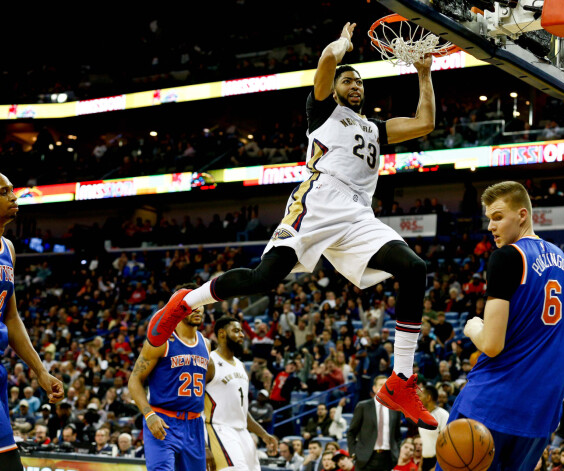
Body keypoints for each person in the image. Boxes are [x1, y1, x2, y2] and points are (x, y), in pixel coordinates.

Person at [148, 22, 439, 430]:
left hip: (358, 214)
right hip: (318, 202)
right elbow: (324, 62)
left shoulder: (374, 129)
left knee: (415, 268)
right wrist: (342, 46)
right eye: (348, 80)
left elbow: (425, 123)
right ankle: (186, 301)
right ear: (335, 89)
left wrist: (424, 75)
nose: (355, 85)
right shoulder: (322, 111)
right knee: (262, 279)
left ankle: (400, 381)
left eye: (359, 82)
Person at [451, 181, 564, 469]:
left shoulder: (507, 256)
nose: (491, 227)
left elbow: (492, 345)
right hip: (540, 414)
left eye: (498, 217)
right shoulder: (561, 258)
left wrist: (473, 328)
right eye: (489, 219)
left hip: (492, 403)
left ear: (522, 215)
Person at [0, 173, 65, 471]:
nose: (14, 197)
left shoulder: (8, 249)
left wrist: (40, 371)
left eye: (13, 190)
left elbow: (11, 317)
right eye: (4, 192)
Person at [127, 285, 212, 471]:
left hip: (195, 425)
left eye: (201, 303)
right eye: (192, 303)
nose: (198, 308)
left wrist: (207, 440)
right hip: (163, 420)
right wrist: (149, 415)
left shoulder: (206, 344)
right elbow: (134, 380)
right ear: (178, 307)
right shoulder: (161, 341)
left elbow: (207, 385)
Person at [205, 316, 278, 470]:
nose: (242, 335)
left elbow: (242, 410)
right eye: (236, 331)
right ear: (222, 333)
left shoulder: (241, 365)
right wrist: (203, 445)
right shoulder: (209, 362)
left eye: (242, 331)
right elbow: (194, 405)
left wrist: (263, 434)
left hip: (242, 432)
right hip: (220, 429)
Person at [347, 375, 402, 471]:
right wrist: (353, 453)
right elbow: (351, 432)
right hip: (365, 458)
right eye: (381, 385)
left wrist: (397, 452)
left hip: (388, 458)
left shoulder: (395, 409)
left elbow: (397, 435)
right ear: (374, 388)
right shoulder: (363, 406)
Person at [418, 384, 449, 471]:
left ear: (428, 397)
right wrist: (421, 465)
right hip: (425, 461)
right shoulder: (421, 416)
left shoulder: (443, 415)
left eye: (419, 395)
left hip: (438, 462)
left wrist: (437, 467)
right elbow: (425, 442)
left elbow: (447, 445)